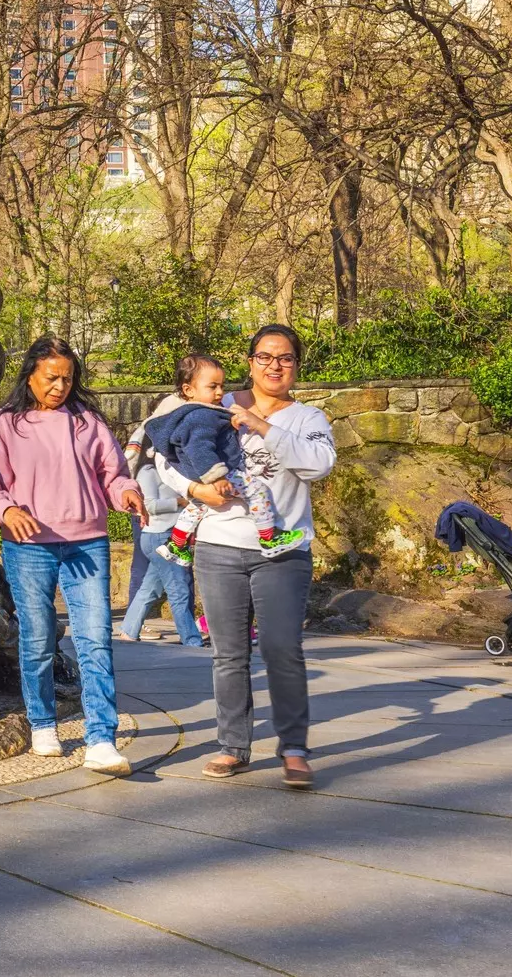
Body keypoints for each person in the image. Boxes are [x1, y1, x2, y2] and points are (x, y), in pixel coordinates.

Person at [0, 336, 144, 777]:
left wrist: (127, 494)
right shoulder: (6, 423)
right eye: (52, 377)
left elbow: (114, 474)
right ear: (30, 375)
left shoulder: (88, 422)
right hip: (27, 547)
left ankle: (101, 739)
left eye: (68, 378)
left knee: (95, 637)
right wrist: (5, 509)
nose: (61, 386)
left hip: (87, 543)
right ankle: (43, 723)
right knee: (38, 635)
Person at [192, 325, 335, 790]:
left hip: (283, 551)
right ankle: (232, 747)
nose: (275, 365)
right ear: (250, 361)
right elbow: (168, 452)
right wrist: (194, 489)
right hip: (218, 545)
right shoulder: (216, 403)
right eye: (265, 356)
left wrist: (260, 426)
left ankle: (293, 748)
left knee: (282, 651)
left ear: (296, 365)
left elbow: (318, 465)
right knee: (228, 654)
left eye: (286, 358)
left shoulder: (309, 418)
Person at [144, 355, 288, 567]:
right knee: (257, 490)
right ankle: (268, 537)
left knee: (198, 505)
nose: (220, 392)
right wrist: (217, 476)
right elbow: (200, 446)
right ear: (189, 390)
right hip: (214, 471)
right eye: (212, 387)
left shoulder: (193, 413)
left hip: (196, 473)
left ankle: (176, 542)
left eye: (221, 385)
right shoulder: (200, 415)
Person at [120, 394, 203, 645]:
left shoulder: (173, 470)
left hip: (169, 533)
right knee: (178, 589)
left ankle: (128, 631)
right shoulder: (147, 471)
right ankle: (192, 640)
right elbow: (149, 506)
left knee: (151, 587)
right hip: (160, 535)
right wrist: (180, 502)